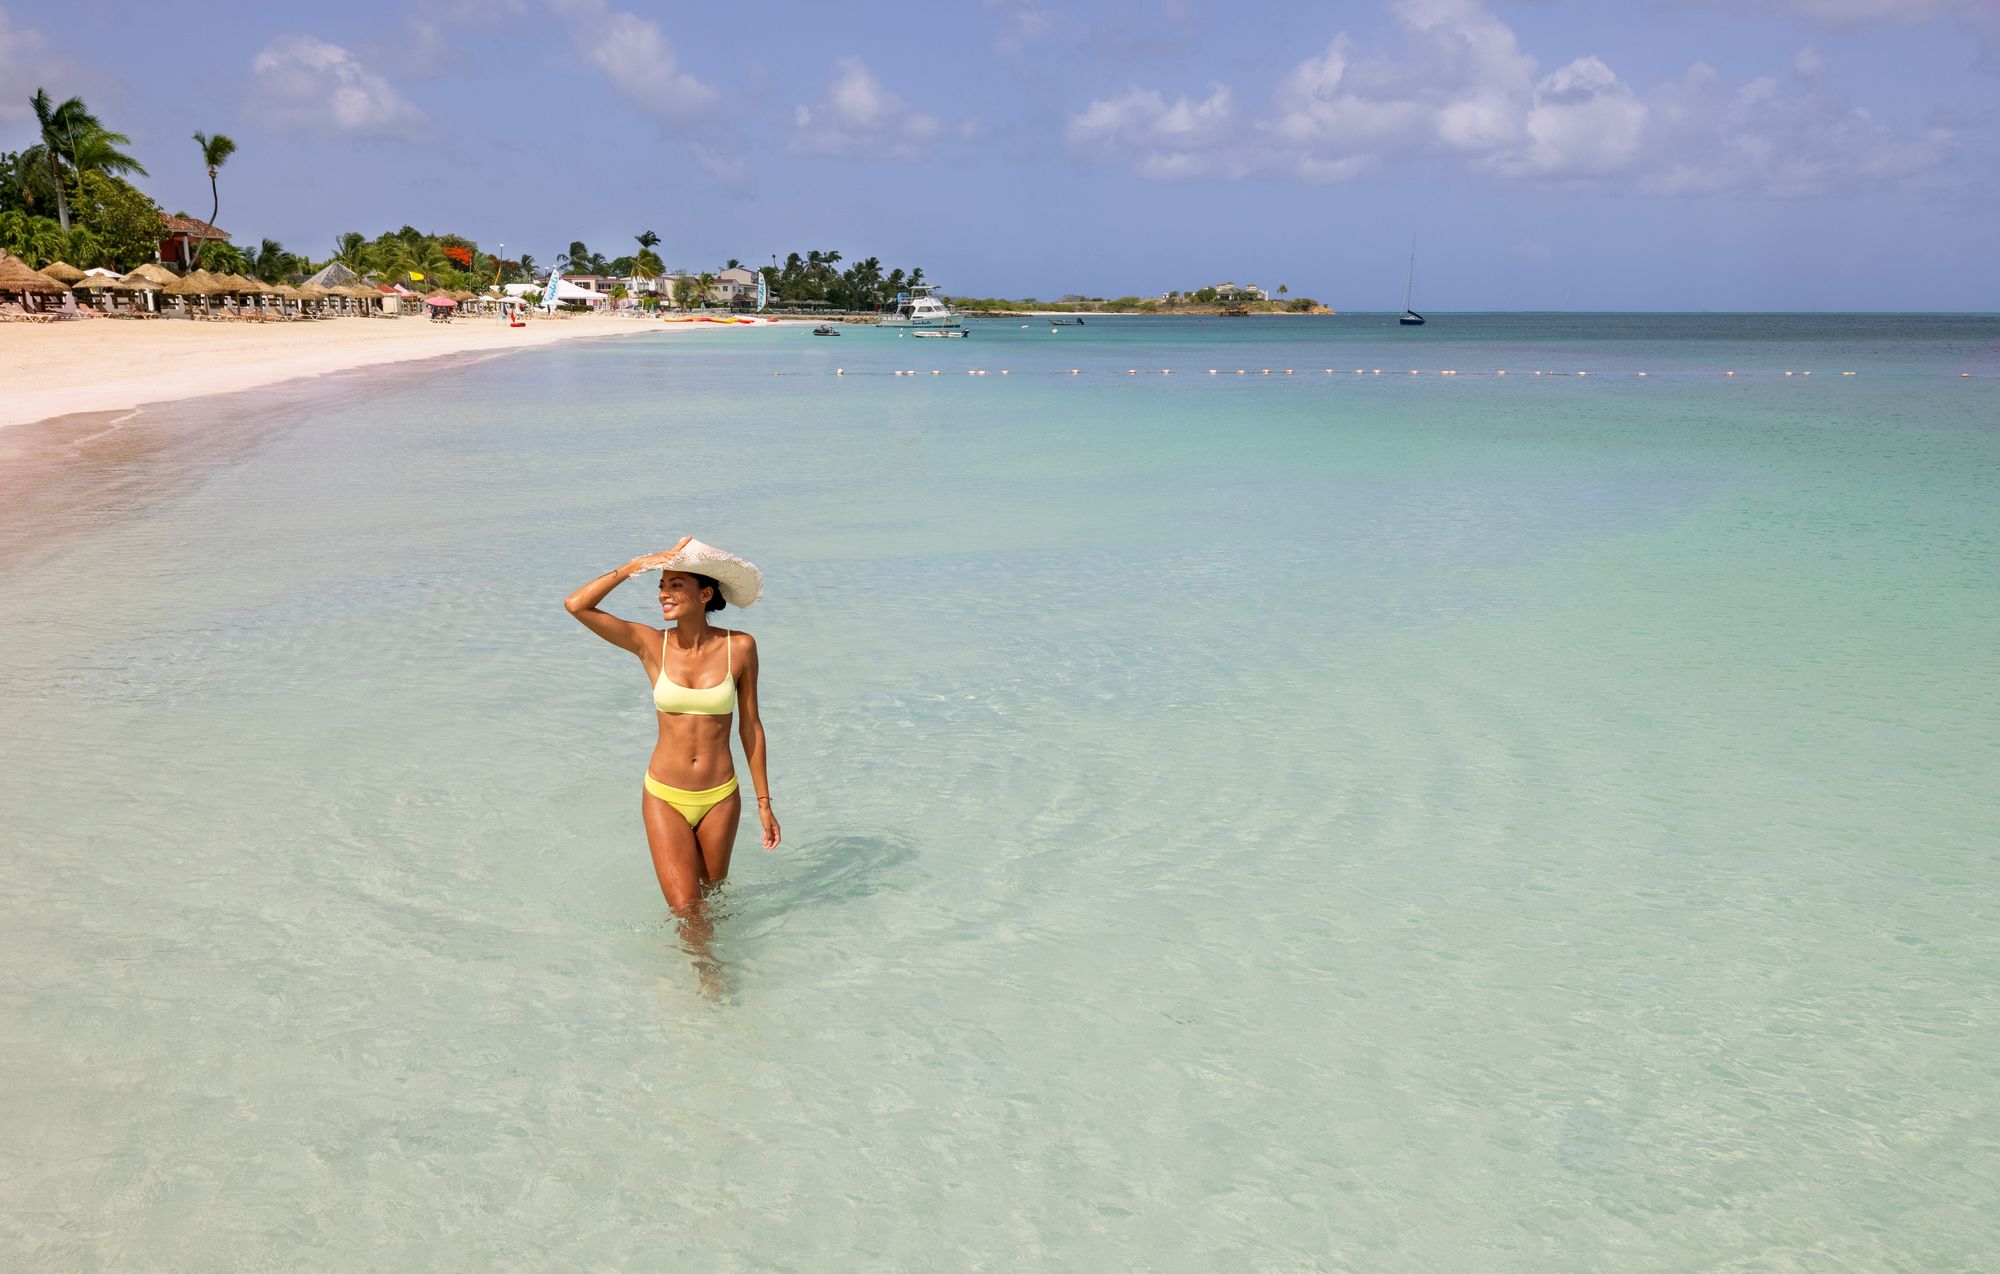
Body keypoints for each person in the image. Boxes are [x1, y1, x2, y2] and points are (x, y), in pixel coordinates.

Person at [564, 537, 779, 922]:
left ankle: (703, 977)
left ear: (705, 593)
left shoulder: (741, 647)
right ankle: (710, 982)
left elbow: (751, 727)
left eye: (676, 584)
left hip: (720, 797)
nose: (664, 593)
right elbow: (576, 605)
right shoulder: (650, 644)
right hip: (665, 795)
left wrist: (765, 804)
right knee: (687, 913)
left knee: (711, 905)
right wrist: (635, 566)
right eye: (661, 586)